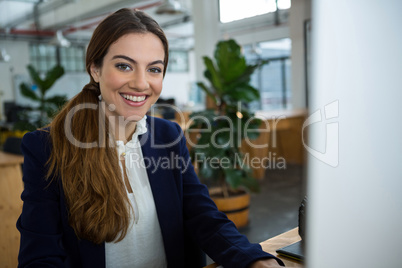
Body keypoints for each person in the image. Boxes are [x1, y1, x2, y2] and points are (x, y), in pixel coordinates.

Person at [17, 8, 284, 268]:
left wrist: (255, 259)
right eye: (124, 66)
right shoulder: (47, 148)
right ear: (95, 69)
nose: (141, 83)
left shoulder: (168, 135)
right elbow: (40, 256)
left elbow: (201, 215)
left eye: (154, 69)